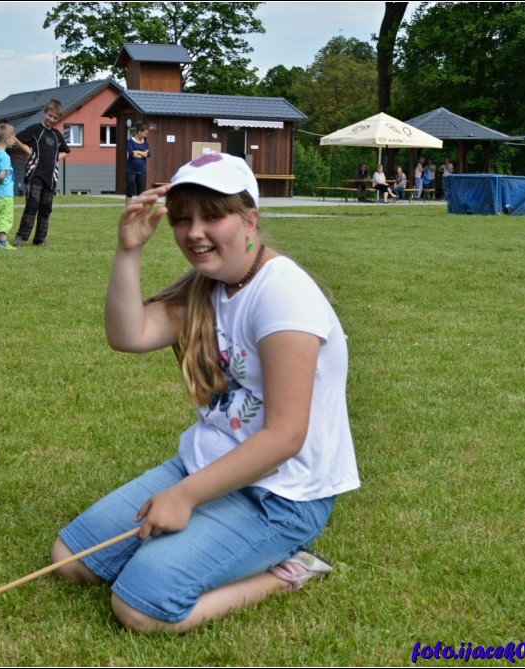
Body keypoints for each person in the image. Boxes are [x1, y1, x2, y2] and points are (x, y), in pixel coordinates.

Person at [51, 152, 360, 633]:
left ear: (249, 219)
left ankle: (288, 571)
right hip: (204, 466)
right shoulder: (208, 286)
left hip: (279, 496)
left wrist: (184, 497)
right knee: (70, 559)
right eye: (182, 219)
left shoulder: (283, 294)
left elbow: (285, 437)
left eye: (213, 216)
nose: (195, 232)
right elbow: (127, 336)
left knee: (142, 606)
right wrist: (128, 249)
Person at [12, 98, 70, 248]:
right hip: (35, 175)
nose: (52, 119)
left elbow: (67, 151)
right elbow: (17, 139)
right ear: (45, 113)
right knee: (32, 205)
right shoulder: (35, 129)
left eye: (55, 118)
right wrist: (28, 152)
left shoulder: (57, 135)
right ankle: (21, 237)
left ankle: (40, 239)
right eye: (50, 116)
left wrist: (56, 158)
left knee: (46, 209)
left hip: (50, 178)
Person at [0, 123, 23, 251]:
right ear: (7, 139)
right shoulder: (5, 156)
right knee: (5, 218)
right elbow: (2, 176)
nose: (14, 140)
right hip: (4, 193)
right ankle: (3, 243)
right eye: (13, 138)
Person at [125, 123, 151, 207]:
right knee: (130, 189)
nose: (146, 135)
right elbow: (132, 154)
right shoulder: (130, 141)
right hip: (131, 169)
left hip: (142, 170)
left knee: (141, 190)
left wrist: (138, 152)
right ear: (139, 132)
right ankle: (128, 209)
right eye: (145, 133)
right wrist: (143, 153)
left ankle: (140, 209)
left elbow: (148, 154)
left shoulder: (145, 143)